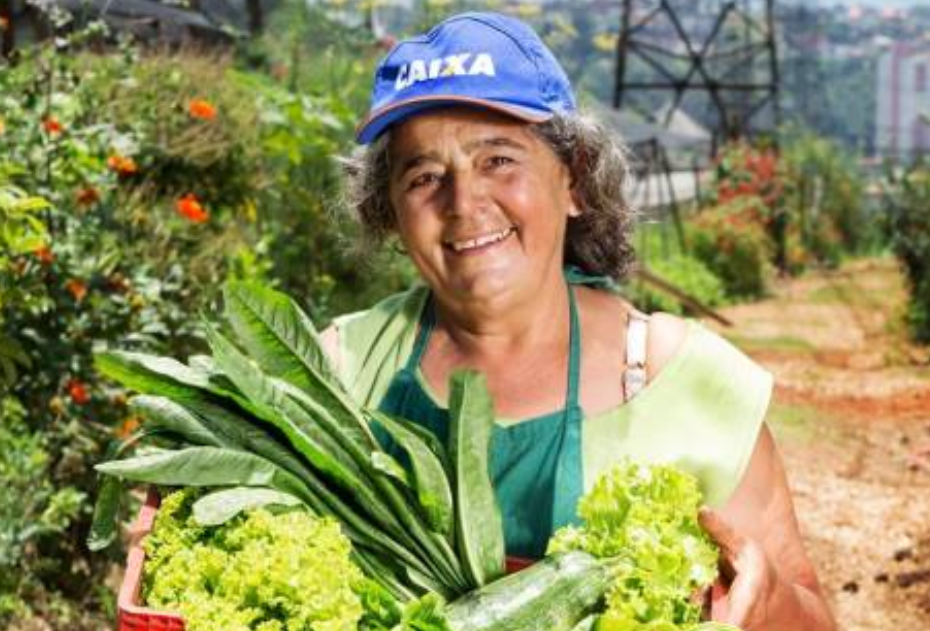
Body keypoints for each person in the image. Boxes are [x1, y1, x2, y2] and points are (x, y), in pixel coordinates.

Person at [320, 12, 836, 631]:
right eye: (424, 177)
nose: (463, 203)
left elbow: (813, 616)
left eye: (499, 160)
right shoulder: (338, 369)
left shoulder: (683, 379)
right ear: (391, 214)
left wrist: (767, 602)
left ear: (574, 180)